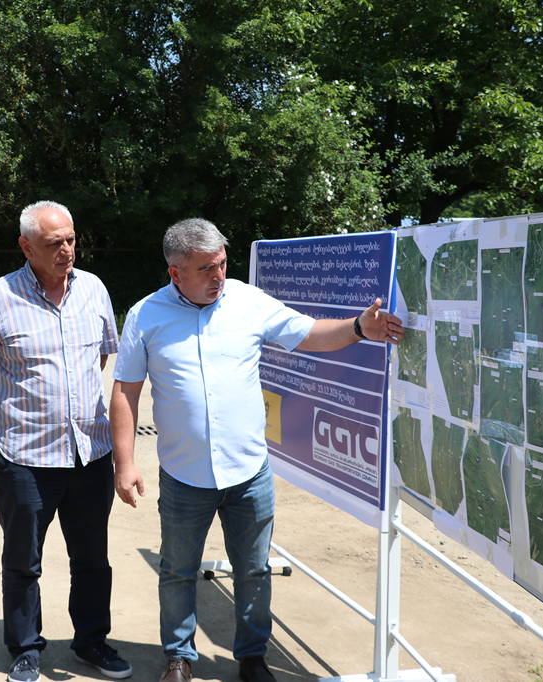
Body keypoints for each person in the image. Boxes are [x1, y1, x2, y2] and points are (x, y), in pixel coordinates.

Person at [109, 218, 404, 682]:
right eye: (206, 269)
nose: (218, 276)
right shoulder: (146, 315)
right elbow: (126, 390)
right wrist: (124, 463)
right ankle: (179, 658)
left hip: (248, 474)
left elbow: (308, 333)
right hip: (184, 475)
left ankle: (252, 658)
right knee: (178, 570)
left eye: (222, 264)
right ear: (175, 273)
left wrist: (359, 328)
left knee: (254, 571)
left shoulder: (248, 301)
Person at [0, 200, 131, 682]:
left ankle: (92, 641)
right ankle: (25, 649)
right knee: (23, 562)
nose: (67, 250)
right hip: (26, 459)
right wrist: (12, 406)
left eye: (71, 239)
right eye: (55, 243)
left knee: (92, 559)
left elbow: (100, 357)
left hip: (90, 454)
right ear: (26, 247)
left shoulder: (93, 289)